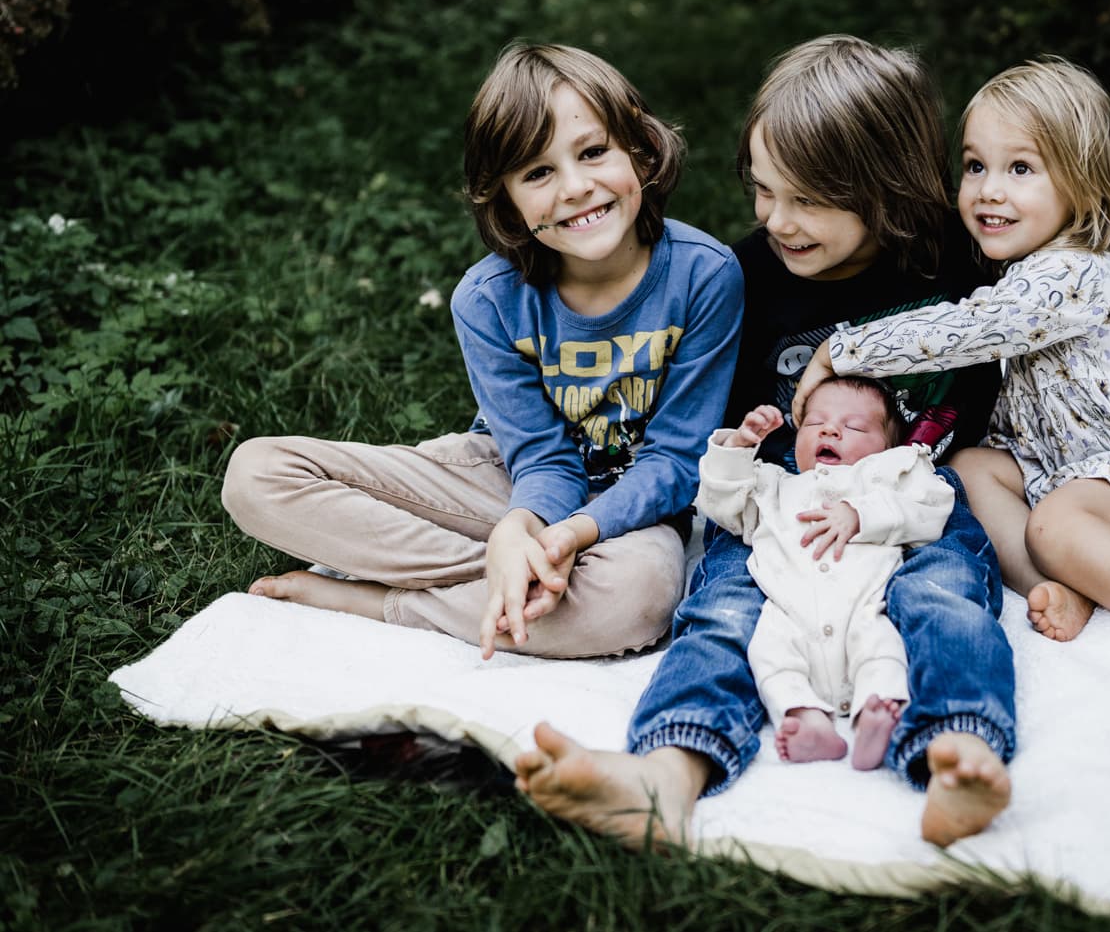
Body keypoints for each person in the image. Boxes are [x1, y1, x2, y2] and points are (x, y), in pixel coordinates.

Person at [514, 34, 1014, 849]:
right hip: (781, 508)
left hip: (911, 494)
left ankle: (959, 744)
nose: (775, 219)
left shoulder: (957, 266)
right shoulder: (744, 278)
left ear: (884, 189)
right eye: (762, 190)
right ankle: (666, 772)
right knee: (720, 612)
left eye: (805, 200)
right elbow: (705, 432)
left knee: (944, 595)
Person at [220, 43, 744, 659]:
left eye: (594, 151)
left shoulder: (705, 276)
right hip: (506, 478)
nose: (576, 187)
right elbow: (539, 458)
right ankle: (515, 576)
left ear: (642, 149)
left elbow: (676, 462)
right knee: (256, 475)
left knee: (636, 600)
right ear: (509, 204)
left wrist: (572, 533)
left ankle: (385, 602)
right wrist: (517, 530)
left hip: (634, 509)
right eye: (538, 172)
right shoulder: (489, 299)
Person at [795, 57, 1110, 709]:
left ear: (1080, 184)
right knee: (971, 471)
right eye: (975, 165)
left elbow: (970, 329)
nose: (987, 189)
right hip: (1069, 461)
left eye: (1020, 168)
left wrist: (847, 349)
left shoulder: (1073, 273)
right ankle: (1066, 582)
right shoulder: (1025, 268)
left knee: (1056, 523)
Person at [701, 378, 953, 771]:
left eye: (853, 427)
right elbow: (722, 504)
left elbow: (932, 507)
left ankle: (880, 709)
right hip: (787, 611)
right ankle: (805, 719)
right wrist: (740, 446)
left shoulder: (886, 478)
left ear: (887, 448)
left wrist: (862, 515)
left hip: (865, 605)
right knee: (768, 653)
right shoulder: (775, 485)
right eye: (814, 423)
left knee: (883, 648)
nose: (830, 430)